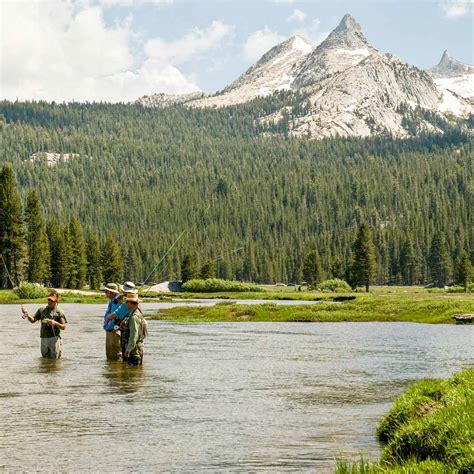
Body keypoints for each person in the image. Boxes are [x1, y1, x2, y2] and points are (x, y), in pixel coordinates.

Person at [22, 290, 67, 359]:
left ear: (56, 301)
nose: (50, 302)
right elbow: (33, 320)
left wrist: (55, 323)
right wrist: (26, 314)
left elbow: (63, 327)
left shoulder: (59, 312)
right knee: (45, 359)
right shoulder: (42, 310)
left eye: (52, 300)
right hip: (43, 338)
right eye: (49, 299)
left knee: (55, 360)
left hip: (54, 339)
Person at [121, 294, 147, 366]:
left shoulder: (134, 317)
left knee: (133, 373)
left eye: (127, 302)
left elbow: (133, 335)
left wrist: (128, 350)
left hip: (134, 350)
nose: (126, 304)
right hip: (137, 347)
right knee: (136, 372)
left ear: (130, 303)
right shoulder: (137, 313)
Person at [102, 282, 122, 360]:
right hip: (109, 330)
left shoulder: (119, 301)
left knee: (116, 355)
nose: (105, 293)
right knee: (109, 355)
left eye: (106, 291)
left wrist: (116, 328)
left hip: (115, 331)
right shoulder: (112, 301)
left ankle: (117, 371)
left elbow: (122, 316)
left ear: (110, 292)